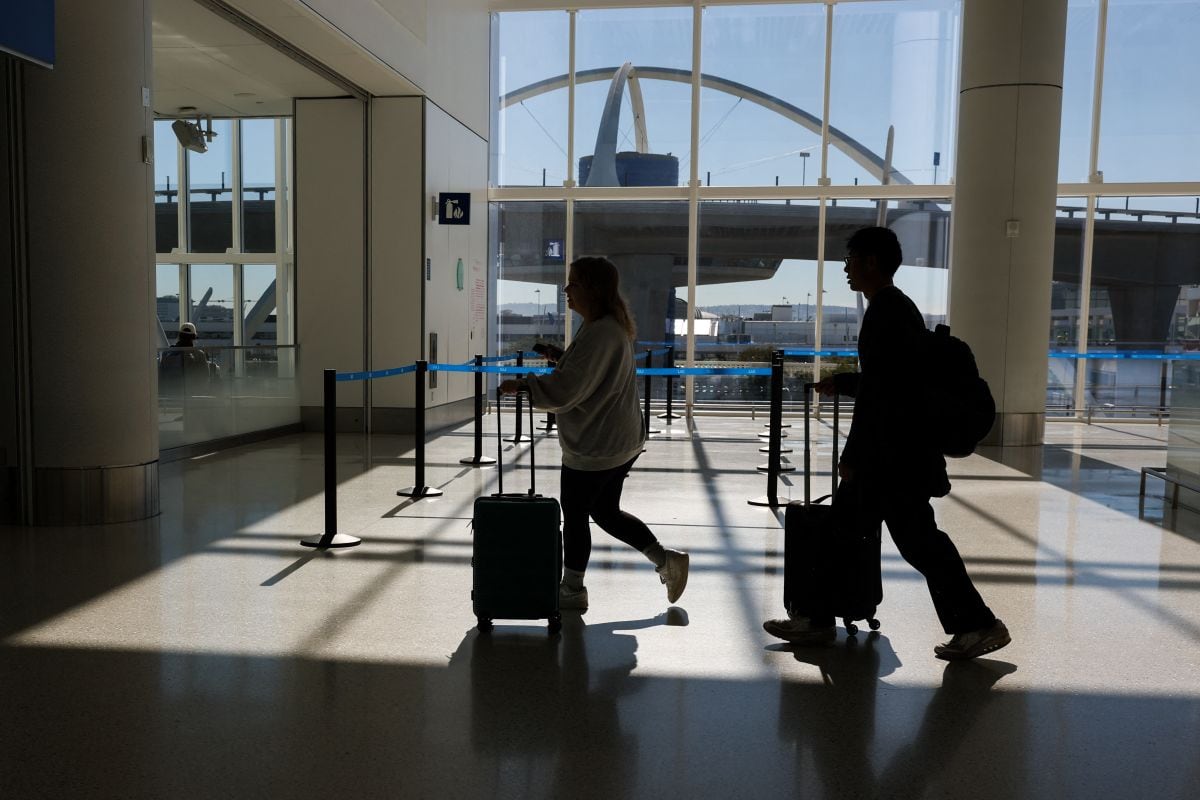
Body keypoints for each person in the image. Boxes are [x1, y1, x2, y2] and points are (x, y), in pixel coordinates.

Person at [763, 227, 1010, 661]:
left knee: (909, 541)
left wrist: (852, 456)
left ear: (871, 262)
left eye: (851, 259)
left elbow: (885, 397)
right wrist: (842, 383)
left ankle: (977, 623)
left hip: (891, 459)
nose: (846, 268)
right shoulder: (895, 309)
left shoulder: (886, 314)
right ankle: (818, 617)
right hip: (900, 456)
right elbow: (891, 383)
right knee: (884, 536)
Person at [500, 256, 689, 611]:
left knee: (575, 514)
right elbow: (587, 373)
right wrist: (560, 359)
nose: (566, 290)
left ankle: (572, 589)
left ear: (592, 288)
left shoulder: (601, 331)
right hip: (618, 439)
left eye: (573, 283)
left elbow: (570, 388)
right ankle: (667, 561)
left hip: (599, 445)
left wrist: (524, 386)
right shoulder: (604, 326)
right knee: (604, 510)